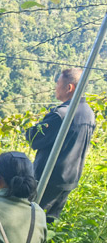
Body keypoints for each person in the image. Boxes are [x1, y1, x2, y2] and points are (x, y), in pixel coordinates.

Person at [25, 69, 96, 222]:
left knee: (31, 221)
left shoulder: (61, 115)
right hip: (69, 179)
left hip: (48, 179)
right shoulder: (89, 113)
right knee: (48, 223)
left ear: (69, 88)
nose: (55, 87)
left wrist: (31, 128)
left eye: (57, 83)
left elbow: (34, 139)